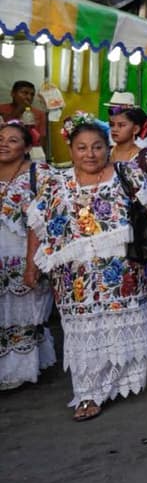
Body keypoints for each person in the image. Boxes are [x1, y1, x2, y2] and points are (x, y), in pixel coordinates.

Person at [25, 112, 147, 421]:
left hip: (123, 274)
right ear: (71, 149)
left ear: (107, 147)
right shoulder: (55, 185)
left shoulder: (127, 174)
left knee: (119, 325)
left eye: (97, 146)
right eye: (82, 147)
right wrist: (30, 265)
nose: (90, 154)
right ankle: (88, 393)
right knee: (82, 332)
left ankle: (121, 383)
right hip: (74, 280)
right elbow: (36, 225)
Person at [0, 122, 55, 389]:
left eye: (12, 140)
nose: (4, 144)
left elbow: (48, 216)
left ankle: (21, 371)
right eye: (1, 138)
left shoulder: (39, 173)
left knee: (24, 317)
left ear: (26, 147)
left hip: (24, 256)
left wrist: (37, 261)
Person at [109, 104, 147, 173]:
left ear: (135, 129)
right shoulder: (105, 153)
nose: (114, 129)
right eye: (112, 125)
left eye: (121, 125)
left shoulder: (145, 157)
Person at [0, 80, 46, 145]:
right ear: (13, 93)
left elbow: (41, 141)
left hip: (30, 150)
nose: (29, 97)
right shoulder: (1, 109)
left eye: (32, 95)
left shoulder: (40, 114)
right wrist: (18, 110)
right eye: (25, 93)